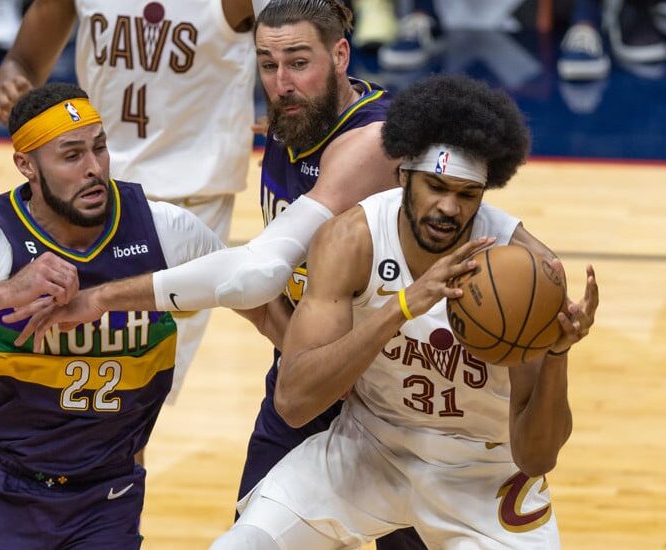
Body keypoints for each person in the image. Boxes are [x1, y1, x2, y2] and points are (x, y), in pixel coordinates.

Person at [6, 1, 426, 547]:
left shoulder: (367, 143)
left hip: (394, 386)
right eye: (268, 65)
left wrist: (106, 297)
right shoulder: (299, 116)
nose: (281, 82)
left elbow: (255, 272)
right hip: (307, 371)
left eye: (299, 63)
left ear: (340, 55)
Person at [0, 83, 284, 549]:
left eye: (99, 148)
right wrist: (6, 292)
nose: (94, 168)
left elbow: (263, 305)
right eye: (71, 156)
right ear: (26, 166)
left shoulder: (164, 231)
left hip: (106, 499)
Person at [209, 74, 600, 549]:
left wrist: (557, 353)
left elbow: (537, 458)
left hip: (481, 473)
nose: (449, 208)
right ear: (403, 177)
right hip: (368, 450)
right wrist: (400, 307)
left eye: (466, 194)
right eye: (435, 186)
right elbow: (294, 402)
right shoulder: (351, 239)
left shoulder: (525, 273)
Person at [0, 0, 267, 400]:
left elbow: (301, 38)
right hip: (92, 194)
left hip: (188, 201)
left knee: (135, 390)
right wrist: (11, 80)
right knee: (71, 378)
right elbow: (23, 60)